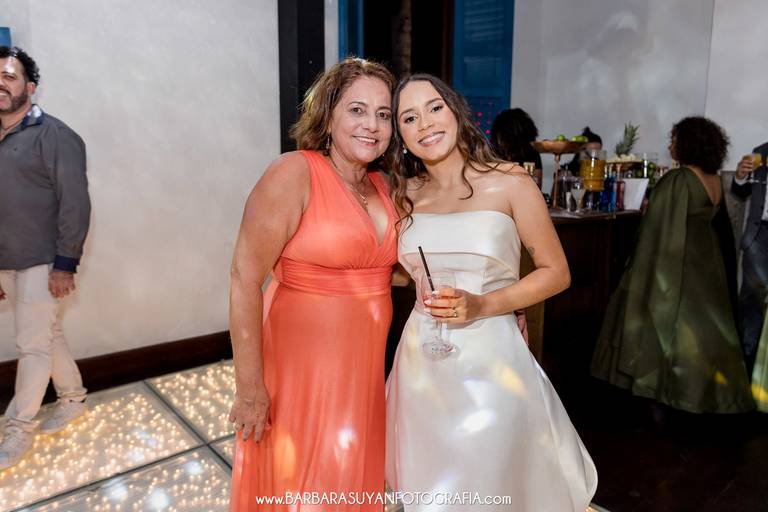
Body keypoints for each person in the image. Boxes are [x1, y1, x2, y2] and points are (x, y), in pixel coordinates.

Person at [386, 74, 597, 511]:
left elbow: (556, 272)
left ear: (456, 112)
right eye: (409, 117)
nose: (425, 123)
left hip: (491, 359)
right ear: (400, 135)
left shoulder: (511, 182)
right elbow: (403, 273)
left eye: (434, 108)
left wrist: (485, 304)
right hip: (420, 360)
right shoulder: (403, 195)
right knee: (430, 483)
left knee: (490, 475)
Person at [228, 58, 398, 511]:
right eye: (357, 110)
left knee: (347, 475)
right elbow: (244, 278)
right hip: (299, 372)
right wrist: (250, 387)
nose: (372, 125)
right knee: (300, 481)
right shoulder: (294, 172)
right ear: (328, 114)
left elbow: (391, 270)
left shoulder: (383, 185)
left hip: (362, 373)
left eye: (383, 114)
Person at [592, 116, 754, 414]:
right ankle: (706, 394)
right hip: (707, 263)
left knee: (669, 326)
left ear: (688, 143)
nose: (670, 145)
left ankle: (666, 389)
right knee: (705, 330)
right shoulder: (714, 180)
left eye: (674, 139)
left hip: (677, 261)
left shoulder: (680, 179)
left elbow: (657, 227)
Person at [0, 46, 91, 470]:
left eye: (9, 76)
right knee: (47, 335)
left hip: (44, 261)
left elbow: (76, 203)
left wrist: (65, 264)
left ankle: (18, 428)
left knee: (32, 345)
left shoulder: (55, 135)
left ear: (30, 87)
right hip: (7, 260)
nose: (1, 83)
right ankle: (72, 400)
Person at [732, 142, 768, 374]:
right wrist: (740, 176)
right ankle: (747, 365)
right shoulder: (761, 152)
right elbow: (740, 192)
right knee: (752, 299)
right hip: (759, 233)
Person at [490, 107, 542, 186]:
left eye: (502, 137)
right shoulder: (493, 154)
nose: (500, 141)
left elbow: (537, 185)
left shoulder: (532, 154)